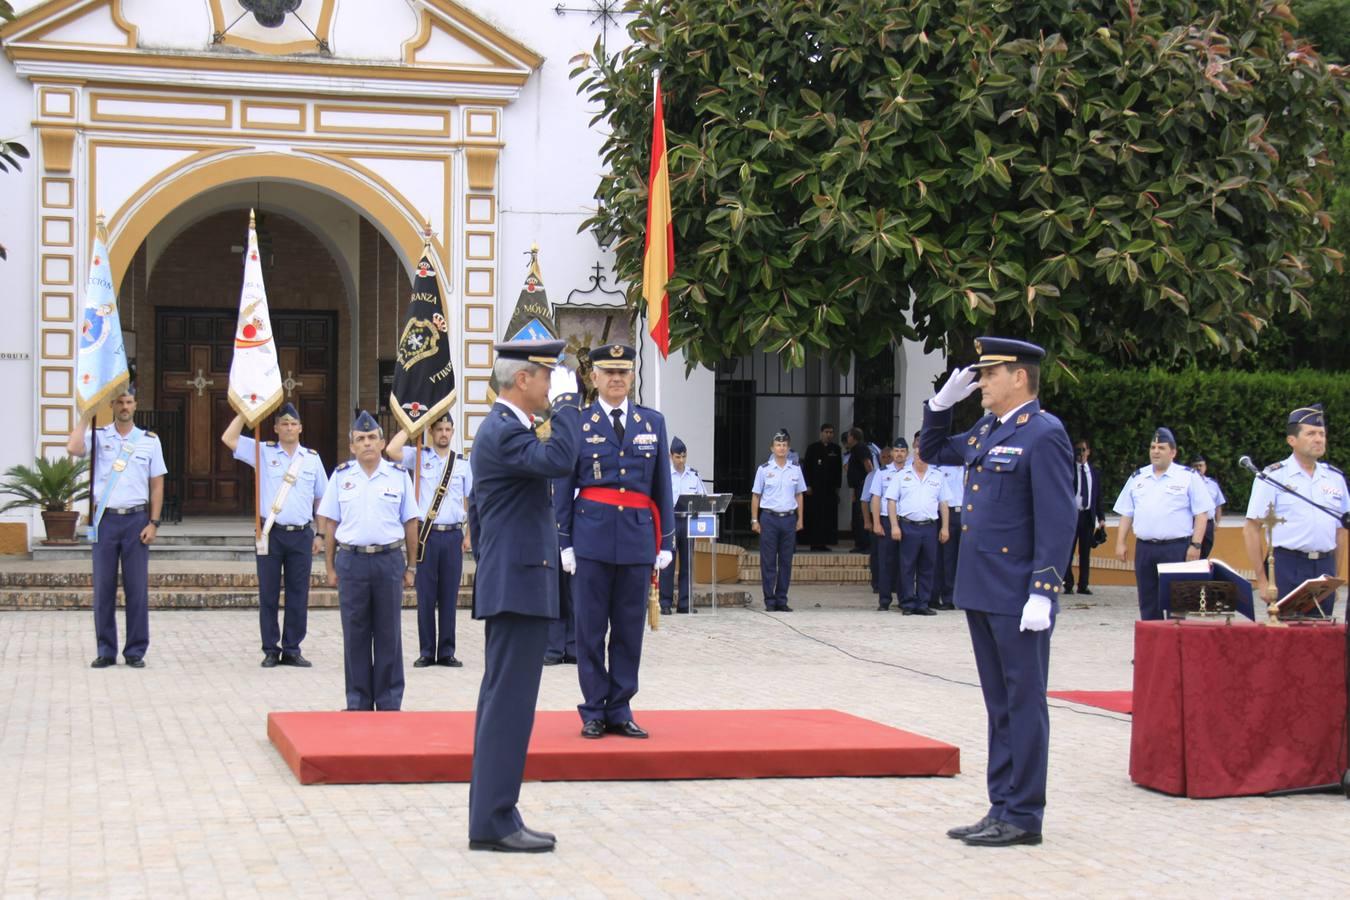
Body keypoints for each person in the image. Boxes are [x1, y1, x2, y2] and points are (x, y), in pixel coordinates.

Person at [920, 337, 1075, 848]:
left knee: (1024, 701)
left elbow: (1058, 519)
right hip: (982, 588)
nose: (981, 384)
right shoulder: (990, 428)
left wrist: (1044, 591)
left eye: (990, 375)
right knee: (998, 703)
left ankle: (1025, 814)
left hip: (1018, 595)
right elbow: (935, 451)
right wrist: (940, 408)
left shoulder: (1044, 434)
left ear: (1019, 378)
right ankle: (1000, 805)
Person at [467, 338, 580, 853]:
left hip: (515, 581)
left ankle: (498, 812)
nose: (550, 384)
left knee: (507, 704)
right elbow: (560, 457)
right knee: (508, 705)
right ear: (522, 380)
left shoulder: (506, 429)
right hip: (517, 585)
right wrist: (573, 407)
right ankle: (493, 821)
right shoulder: (504, 431)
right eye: (546, 375)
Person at [557, 343, 674, 740]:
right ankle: (593, 709)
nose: (617, 379)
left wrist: (666, 542)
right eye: (608, 372)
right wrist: (564, 543)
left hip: (638, 540)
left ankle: (620, 707)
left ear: (632, 377)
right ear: (594, 378)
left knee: (627, 630)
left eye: (623, 372)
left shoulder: (651, 423)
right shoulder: (579, 423)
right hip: (591, 540)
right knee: (590, 630)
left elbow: (662, 487)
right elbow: (564, 488)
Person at [316, 410, 419, 711]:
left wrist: (411, 566)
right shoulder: (341, 476)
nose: (367, 444)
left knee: (389, 633)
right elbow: (331, 523)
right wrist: (330, 567)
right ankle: (358, 701)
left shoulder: (399, 476)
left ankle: (388, 701)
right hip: (352, 562)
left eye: (372, 437)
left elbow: (410, 523)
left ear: (382, 441)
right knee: (355, 632)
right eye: (360, 439)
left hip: (388, 561)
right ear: (352, 446)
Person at [222, 402, 328, 667]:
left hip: (302, 534)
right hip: (270, 533)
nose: (289, 428)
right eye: (284, 424)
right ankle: (271, 648)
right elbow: (229, 438)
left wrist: (321, 535)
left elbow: (321, 500)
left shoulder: (312, 459)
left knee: (298, 593)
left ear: (301, 428)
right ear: (276, 428)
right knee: (268, 593)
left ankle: (292, 648)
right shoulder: (262, 450)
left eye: (294, 424)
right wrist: (245, 413)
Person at [67, 387, 166, 669]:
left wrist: (154, 522)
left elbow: (157, 483)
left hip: (137, 520)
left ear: (136, 405)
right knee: (103, 589)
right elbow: (73, 448)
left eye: (129, 401)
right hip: (105, 521)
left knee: (137, 589)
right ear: (112, 405)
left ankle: (135, 651)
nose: (125, 406)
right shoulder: (99, 436)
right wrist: (86, 415)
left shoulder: (149, 441)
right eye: (120, 402)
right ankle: (106, 650)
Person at [1242, 404, 1349, 616]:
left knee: (1322, 637)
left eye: (1321, 434)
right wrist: (1262, 580)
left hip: (1324, 567)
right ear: (1292, 440)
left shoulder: (1335, 478)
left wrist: (1334, 577)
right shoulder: (1273, 477)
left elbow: (1341, 530)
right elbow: (1251, 528)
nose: (1318, 439)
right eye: (1310, 433)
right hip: (1287, 566)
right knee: (1286, 636)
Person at [386, 414, 473, 669]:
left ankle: (446, 651)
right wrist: (414, 425)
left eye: (448, 429)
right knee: (425, 596)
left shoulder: (462, 464)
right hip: (426, 536)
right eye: (439, 429)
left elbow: (469, 501)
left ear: (452, 431)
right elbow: (391, 450)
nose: (444, 433)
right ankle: (426, 651)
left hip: (453, 534)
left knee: (449, 595)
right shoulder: (419, 456)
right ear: (432, 432)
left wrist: (468, 535)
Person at [1112, 428, 1212, 620]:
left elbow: (1201, 514)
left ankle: (1175, 647)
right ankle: (1153, 647)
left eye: (1161, 448)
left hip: (1175, 548)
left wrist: (1196, 544)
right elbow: (1126, 512)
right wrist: (1121, 542)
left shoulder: (1188, 477)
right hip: (1145, 548)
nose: (1156, 451)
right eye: (1153, 447)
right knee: (1148, 603)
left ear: (1173, 452)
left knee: (1177, 605)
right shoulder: (1138, 477)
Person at [888, 433, 951, 616]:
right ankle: (907, 603)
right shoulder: (902, 476)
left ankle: (923, 603)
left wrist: (945, 527)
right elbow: (891, 501)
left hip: (930, 527)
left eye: (924, 456)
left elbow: (944, 503)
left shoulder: (937, 476)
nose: (920, 459)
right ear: (912, 456)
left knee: (927, 566)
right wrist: (894, 526)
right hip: (908, 526)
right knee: (907, 566)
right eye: (917, 455)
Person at [750, 430, 807, 611]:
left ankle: (782, 599)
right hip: (769, 518)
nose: (781, 448)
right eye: (778, 445)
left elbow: (799, 495)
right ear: (772, 448)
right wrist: (754, 520)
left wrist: (800, 519)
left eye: (784, 445)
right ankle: (770, 600)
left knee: (786, 561)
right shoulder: (764, 469)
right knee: (768, 561)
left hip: (788, 518)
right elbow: (756, 496)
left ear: (788, 448)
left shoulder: (795, 469)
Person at [661, 436, 707, 614]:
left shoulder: (693, 475)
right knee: (668, 563)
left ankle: (685, 603)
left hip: (688, 521)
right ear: (671, 456)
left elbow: (703, 497)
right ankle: (665, 603)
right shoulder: (665, 475)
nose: (681, 460)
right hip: (670, 521)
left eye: (684, 457)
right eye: (678, 457)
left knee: (687, 563)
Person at [1063, 438, 1105, 594]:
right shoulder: (1070, 470)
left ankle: (1083, 584)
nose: (1080, 453)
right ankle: (1068, 583)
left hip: (1087, 516)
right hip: (1072, 515)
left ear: (1088, 452)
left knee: (1085, 552)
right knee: (1068, 551)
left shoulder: (1093, 472)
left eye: (1083, 450)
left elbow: (1097, 497)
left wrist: (1101, 519)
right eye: (1078, 450)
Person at [544, 477, 578, 666]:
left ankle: (574, 646)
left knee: (576, 593)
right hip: (551, 530)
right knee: (554, 591)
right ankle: (554, 647)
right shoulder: (550, 465)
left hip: (578, 531)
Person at [870, 439, 904, 610]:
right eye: (896, 450)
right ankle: (884, 600)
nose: (899, 454)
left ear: (907, 453)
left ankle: (904, 599)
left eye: (902, 451)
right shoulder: (882, 473)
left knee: (905, 562)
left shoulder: (911, 472)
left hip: (905, 521)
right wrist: (876, 522)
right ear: (891, 454)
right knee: (885, 561)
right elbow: (876, 498)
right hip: (885, 520)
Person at [803, 423, 842, 551]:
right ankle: (814, 543)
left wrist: (837, 487)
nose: (829, 435)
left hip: (829, 490)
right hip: (815, 490)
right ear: (821, 433)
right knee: (815, 516)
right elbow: (806, 468)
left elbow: (838, 470)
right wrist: (807, 485)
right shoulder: (813, 448)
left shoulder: (836, 449)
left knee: (828, 516)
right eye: (826, 432)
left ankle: (825, 542)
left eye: (831, 432)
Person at [934, 459, 965, 610]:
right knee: (948, 557)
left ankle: (966, 598)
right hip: (949, 514)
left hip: (968, 512)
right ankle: (948, 597)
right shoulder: (942, 469)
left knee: (967, 559)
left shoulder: (972, 467)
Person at [844, 427, 873, 553]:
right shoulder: (854, 450)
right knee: (856, 515)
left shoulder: (861, 448)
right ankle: (859, 543)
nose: (847, 439)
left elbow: (868, 466)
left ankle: (866, 544)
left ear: (853, 437)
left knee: (861, 515)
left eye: (849, 436)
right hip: (857, 487)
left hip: (863, 485)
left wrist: (868, 483)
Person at [1191, 455, 1225, 559]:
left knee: (1206, 549)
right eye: (1196, 466)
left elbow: (1218, 504)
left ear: (1205, 467)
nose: (1198, 468)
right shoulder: (1188, 483)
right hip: (1192, 523)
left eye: (1201, 465)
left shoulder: (1212, 484)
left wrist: (1217, 522)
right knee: (1192, 549)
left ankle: (1201, 572)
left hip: (1209, 523)